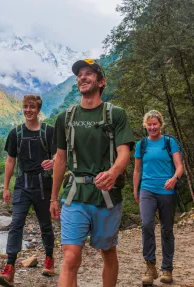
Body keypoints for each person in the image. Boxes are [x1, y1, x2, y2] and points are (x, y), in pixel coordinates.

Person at [50, 59, 134, 287]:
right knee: (70, 257)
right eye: (79, 74)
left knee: (107, 252)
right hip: (75, 194)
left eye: (88, 73)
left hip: (106, 196)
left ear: (101, 81)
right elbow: (60, 159)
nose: (82, 77)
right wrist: (53, 197)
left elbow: (123, 152)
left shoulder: (115, 114)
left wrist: (114, 172)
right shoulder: (65, 118)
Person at [0, 94, 56, 287]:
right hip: (22, 184)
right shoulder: (16, 133)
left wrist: (53, 162)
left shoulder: (49, 132)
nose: (28, 110)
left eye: (32, 107)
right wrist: (6, 187)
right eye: (25, 107)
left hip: (43, 185)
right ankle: (10, 268)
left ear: (38, 110)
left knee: (45, 225)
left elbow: (59, 155)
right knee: (16, 224)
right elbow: (10, 160)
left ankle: (49, 258)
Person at [133, 110, 184, 285]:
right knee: (146, 225)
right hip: (147, 189)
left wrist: (174, 178)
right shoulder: (142, 144)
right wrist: (136, 189)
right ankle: (150, 266)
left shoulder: (170, 142)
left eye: (155, 124)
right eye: (149, 124)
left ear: (160, 124)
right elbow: (137, 169)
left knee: (167, 230)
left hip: (167, 191)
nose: (152, 127)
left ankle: (167, 269)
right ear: (145, 125)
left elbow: (179, 166)